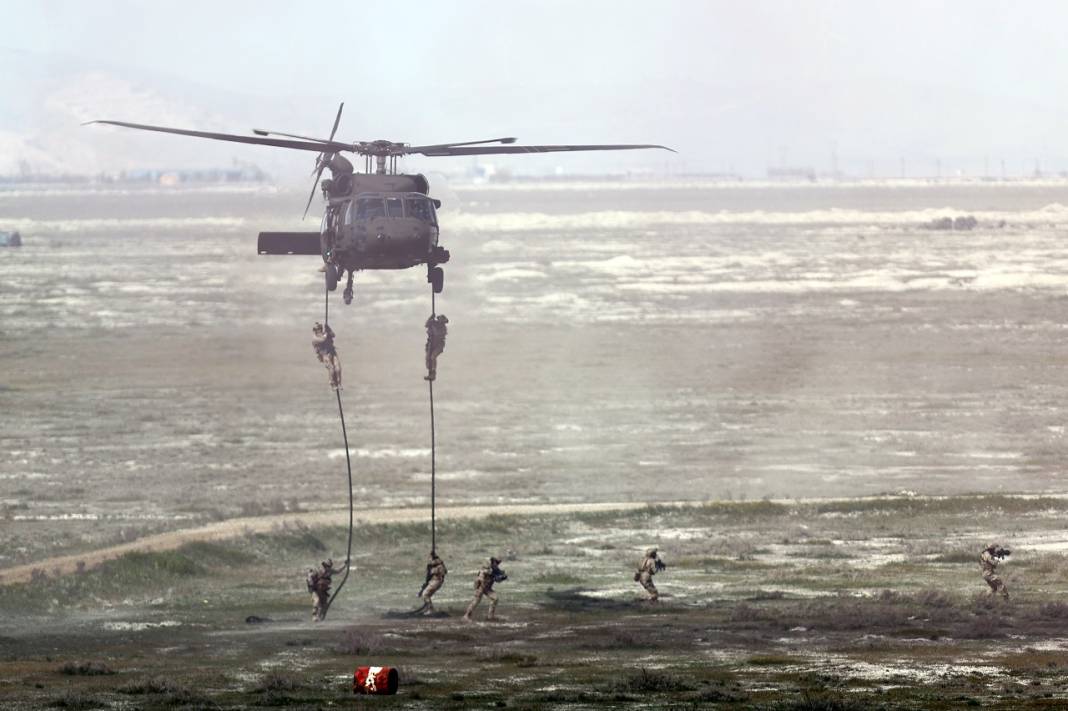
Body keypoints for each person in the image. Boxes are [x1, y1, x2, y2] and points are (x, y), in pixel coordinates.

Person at [463, 557, 506, 622]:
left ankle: (490, 616)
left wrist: (501, 577)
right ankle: (466, 616)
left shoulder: (495, 570)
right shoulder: (486, 569)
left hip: (487, 588)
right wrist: (495, 576)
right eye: (495, 562)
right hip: (481, 587)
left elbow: (498, 578)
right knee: (476, 601)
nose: (497, 564)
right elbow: (482, 577)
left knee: (495, 598)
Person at [312, 322, 342, 390]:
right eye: (317, 329)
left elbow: (333, 335)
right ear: (315, 330)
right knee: (331, 369)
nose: (319, 330)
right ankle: (332, 383)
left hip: (332, 352)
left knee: (338, 368)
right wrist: (326, 333)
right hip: (324, 355)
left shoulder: (325, 333)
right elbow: (323, 340)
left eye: (320, 328)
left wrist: (329, 329)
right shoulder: (315, 338)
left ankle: (339, 383)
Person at [416, 551, 447, 615]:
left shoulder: (438, 566)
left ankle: (431, 609)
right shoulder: (433, 565)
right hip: (434, 581)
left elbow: (443, 572)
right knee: (426, 595)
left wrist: (435, 567)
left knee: (425, 594)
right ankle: (428, 608)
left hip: (436, 581)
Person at [424, 314, 449, 381]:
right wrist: (430, 318)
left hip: (439, 345)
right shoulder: (434, 323)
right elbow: (426, 325)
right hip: (430, 344)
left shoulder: (443, 328)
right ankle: (430, 372)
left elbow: (438, 334)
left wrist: (433, 328)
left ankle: (433, 373)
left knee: (433, 357)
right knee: (428, 358)